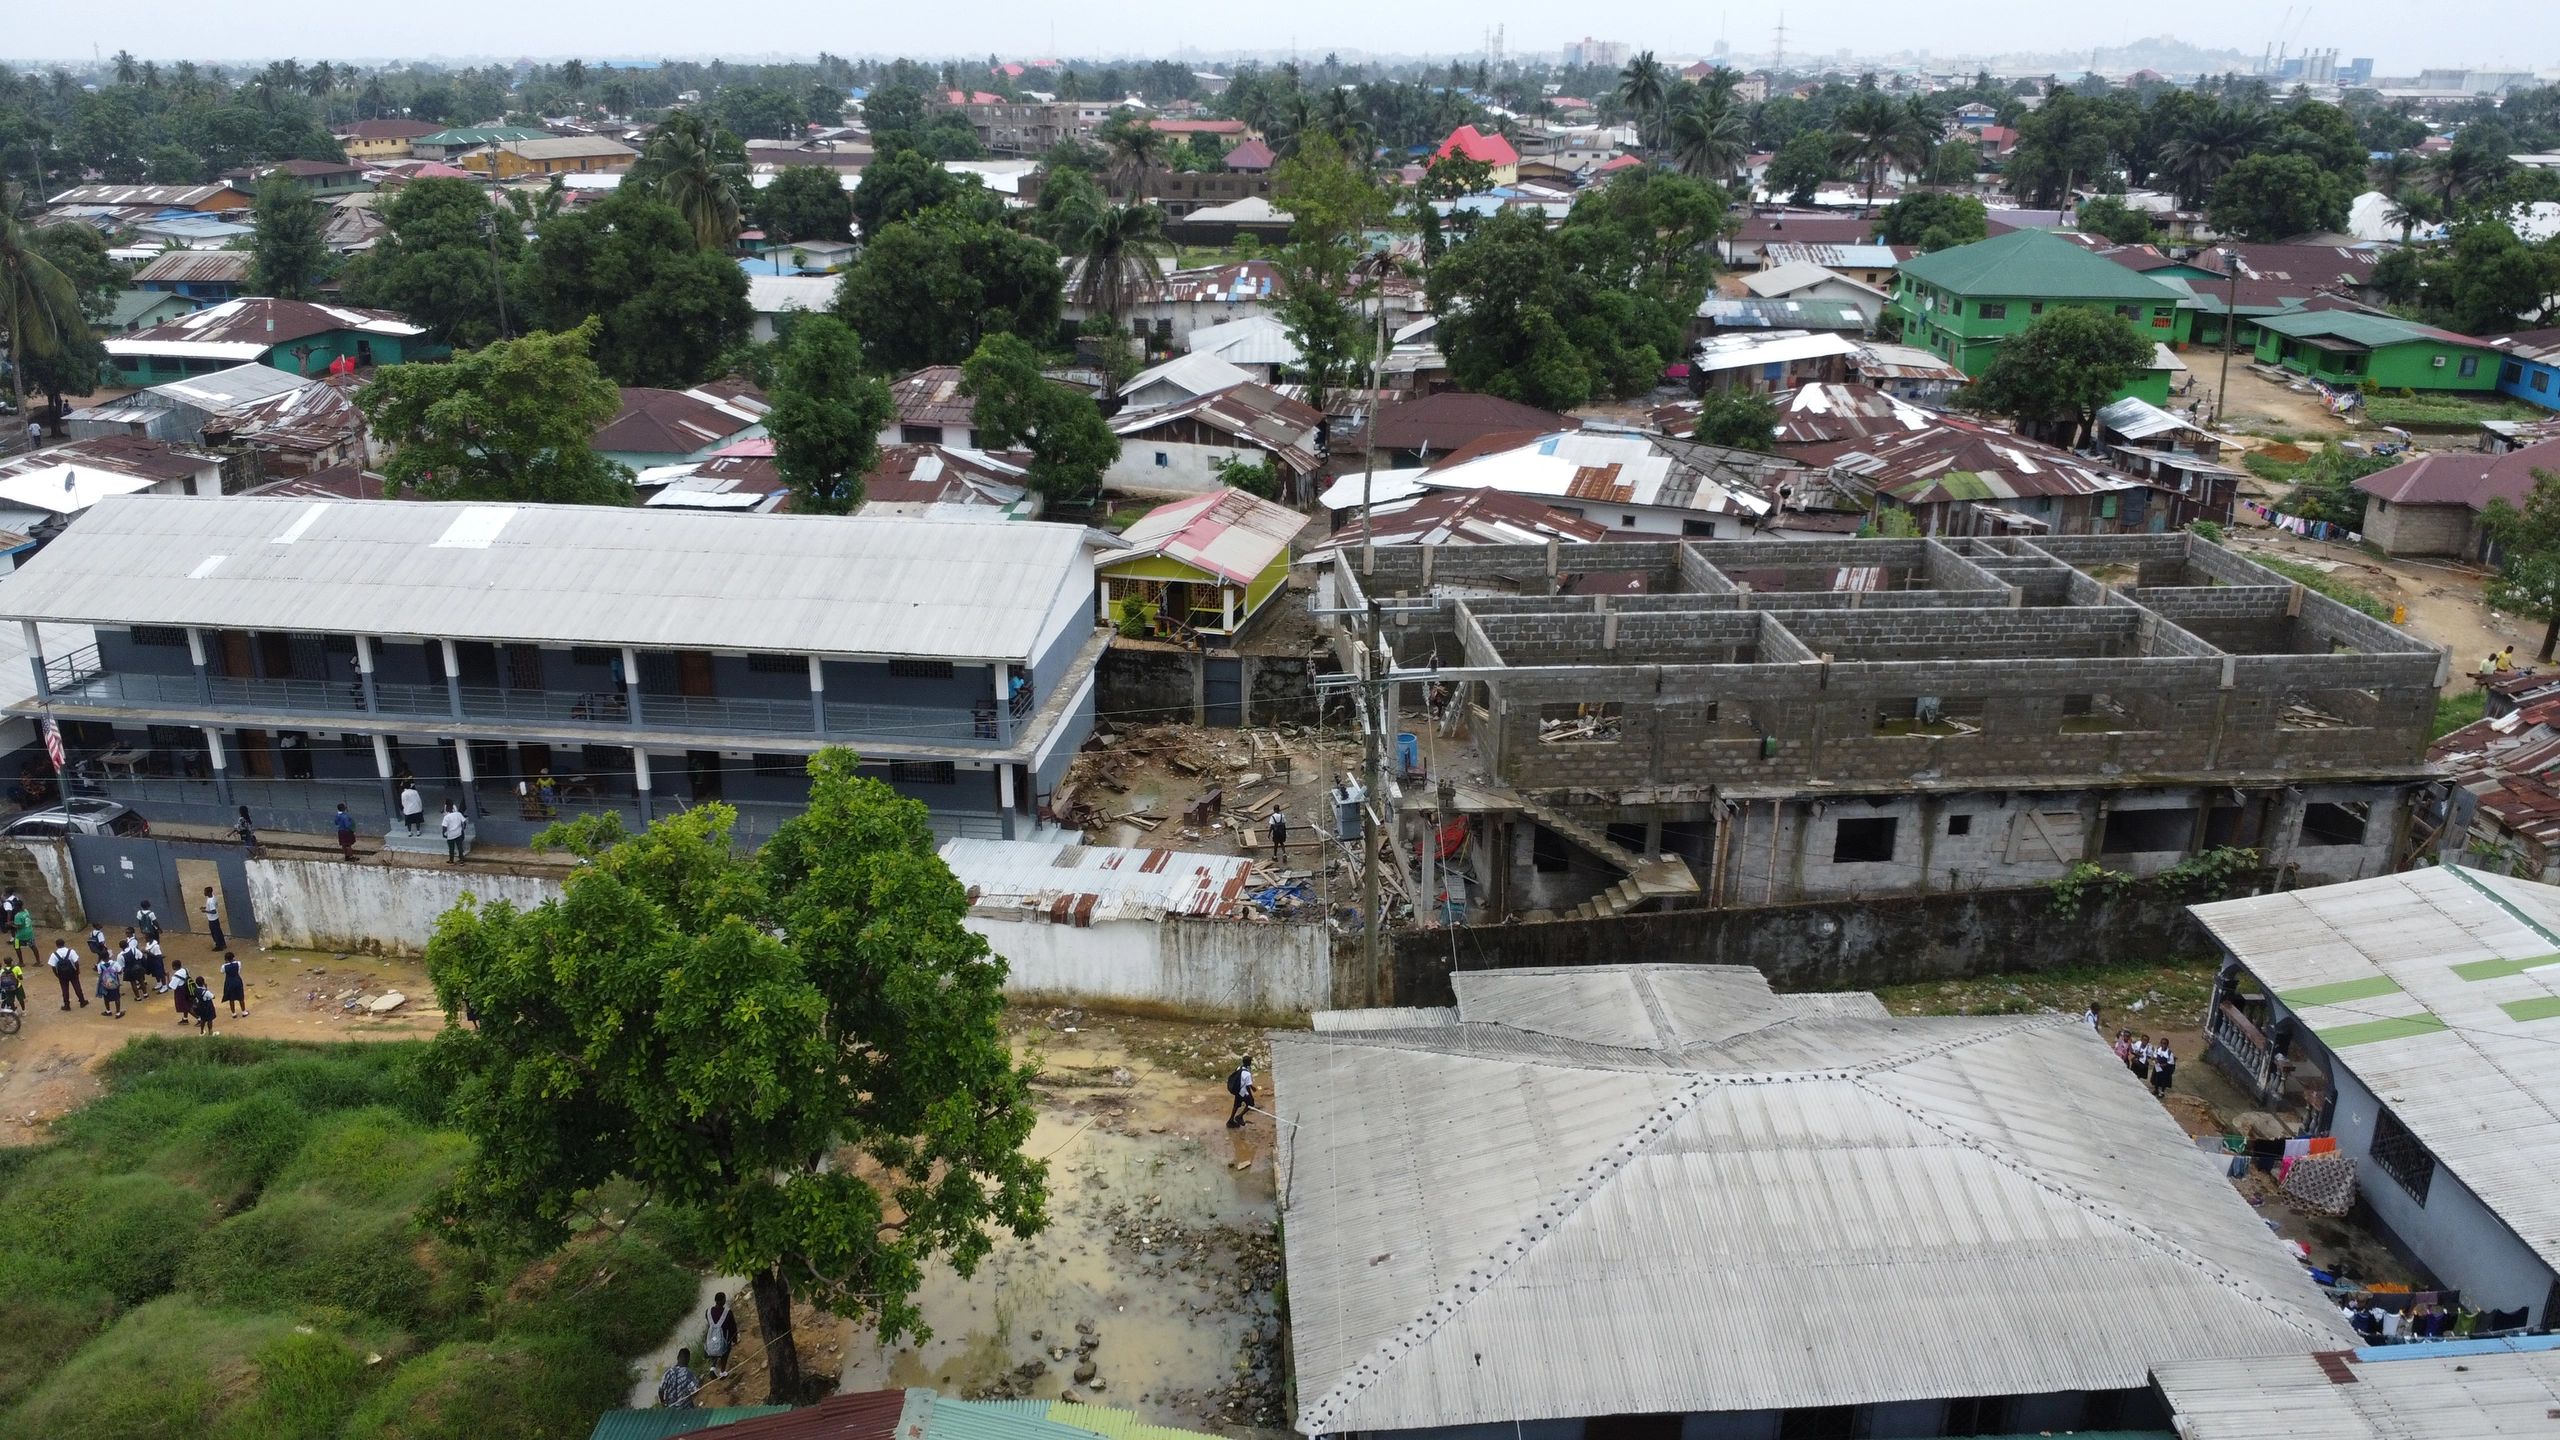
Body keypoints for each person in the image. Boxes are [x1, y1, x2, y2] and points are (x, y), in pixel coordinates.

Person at [702, 1294, 739, 1380]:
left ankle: (713, 1367)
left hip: (712, 1337)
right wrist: (734, 1339)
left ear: (715, 1300)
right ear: (723, 1301)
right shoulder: (728, 1312)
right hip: (723, 1339)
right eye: (724, 1299)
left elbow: (709, 1323)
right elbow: (733, 1327)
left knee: (713, 1346)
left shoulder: (708, 1311)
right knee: (725, 1354)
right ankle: (722, 1372)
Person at [47, 937, 86, 1010]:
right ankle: (82, 1001)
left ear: (56, 945)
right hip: (72, 972)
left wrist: (57, 975)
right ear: (64, 944)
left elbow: (53, 966)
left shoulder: (54, 954)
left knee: (64, 989)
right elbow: (76, 962)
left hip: (62, 974)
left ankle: (67, 1005)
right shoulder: (71, 951)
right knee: (77, 986)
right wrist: (77, 971)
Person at [1225, 1056, 1255, 1128]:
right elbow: (1248, 1086)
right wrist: (1251, 1096)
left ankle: (1230, 1121)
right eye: (1250, 1061)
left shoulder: (1239, 1068)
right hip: (1244, 1093)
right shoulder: (1247, 1074)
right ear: (1248, 1063)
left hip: (1238, 1091)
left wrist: (1253, 1087)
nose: (1251, 1063)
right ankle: (1239, 1116)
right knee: (1251, 1104)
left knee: (1236, 1106)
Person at [95, 948, 122, 1018]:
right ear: (108, 956)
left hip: (105, 984)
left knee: (106, 997)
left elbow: (100, 973)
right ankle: (118, 1012)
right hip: (115, 983)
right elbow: (120, 971)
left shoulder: (99, 965)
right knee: (117, 997)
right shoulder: (115, 963)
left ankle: (108, 1011)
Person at [219, 950, 247, 1018]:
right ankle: (244, 1012)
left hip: (229, 982)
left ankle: (233, 1013)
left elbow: (221, 972)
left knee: (231, 998)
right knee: (241, 997)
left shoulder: (224, 966)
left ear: (226, 959)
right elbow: (239, 970)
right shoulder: (238, 963)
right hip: (237, 981)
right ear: (233, 957)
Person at [201, 886, 223, 950]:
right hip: (215, 918)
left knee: (215, 933)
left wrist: (205, 911)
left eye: (205, 892)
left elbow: (214, 911)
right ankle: (222, 944)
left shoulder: (211, 901)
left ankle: (219, 946)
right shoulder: (212, 897)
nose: (204, 893)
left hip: (212, 919)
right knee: (218, 931)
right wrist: (205, 908)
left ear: (208, 892)